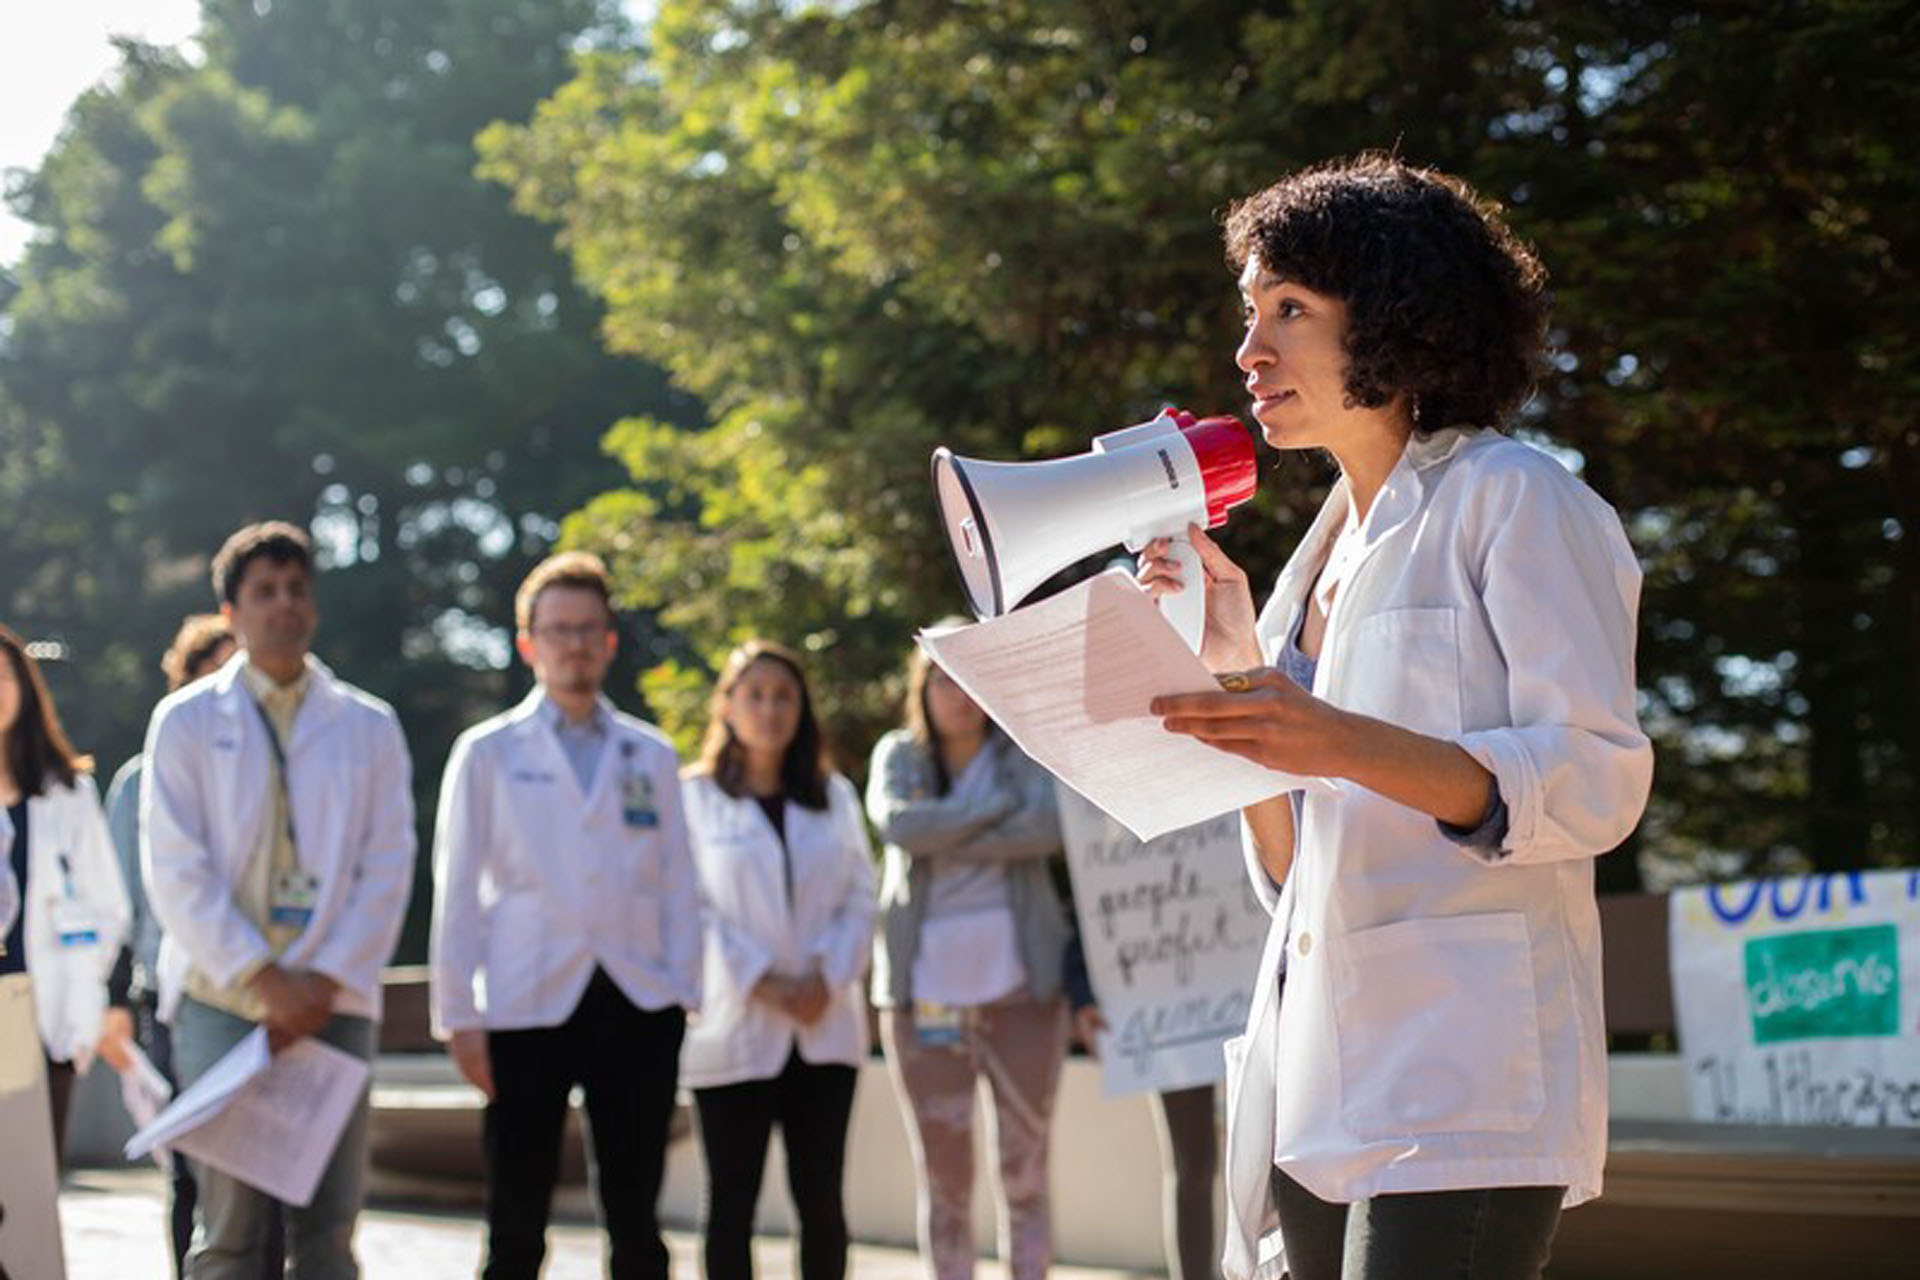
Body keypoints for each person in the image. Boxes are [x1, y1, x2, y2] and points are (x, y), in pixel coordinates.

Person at [1136, 154, 1654, 1280]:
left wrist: (1336, 739)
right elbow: (1289, 862)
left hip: (1465, 1068)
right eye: (1249, 312)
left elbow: (1598, 779)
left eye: (1290, 310)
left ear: (1395, 321)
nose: (1248, 351)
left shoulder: (1518, 498)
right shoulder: (1309, 565)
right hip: (1316, 1068)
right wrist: (1232, 665)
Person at [144, 521, 417, 1279]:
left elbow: (387, 864)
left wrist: (322, 981)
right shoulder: (188, 721)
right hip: (222, 998)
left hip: (334, 1004)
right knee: (229, 1231)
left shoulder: (368, 725)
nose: (284, 605)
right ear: (230, 613)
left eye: (297, 589)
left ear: (315, 606)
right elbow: (175, 869)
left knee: (327, 1235)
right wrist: (263, 979)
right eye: (263, 591)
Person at [430, 550, 701, 1280]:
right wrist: (459, 1015)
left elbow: (680, 882)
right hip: (525, 1002)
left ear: (609, 640)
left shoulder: (649, 752)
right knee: (516, 1223)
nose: (574, 644)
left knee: (637, 1221)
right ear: (528, 644)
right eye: (557, 630)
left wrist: (685, 990)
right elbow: (456, 892)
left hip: (638, 999)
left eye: (588, 629)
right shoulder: (486, 754)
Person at [867, 637, 1071, 1280]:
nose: (959, 696)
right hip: (925, 999)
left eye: (969, 680)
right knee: (944, 1176)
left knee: (1026, 1169)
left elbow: (1048, 829)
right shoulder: (898, 755)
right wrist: (993, 816)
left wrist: (947, 833)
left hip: (1023, 995)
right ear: (921, 690)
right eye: (943, 681)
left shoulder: (1023, 752)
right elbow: (900, 826)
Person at [679, 640, 877, 1280]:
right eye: (755, 694)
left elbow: (861, 893)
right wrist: (758, 978)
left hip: (825, 1026)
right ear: (728, 707)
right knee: (730, 1206)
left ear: (802, 710)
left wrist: (825, 976)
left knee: (821, 1202)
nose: (769, 709)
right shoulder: (695, 798)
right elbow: (688, 904)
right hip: (735, 1022)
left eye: (784, 695)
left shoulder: (834, 797)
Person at [106, 614, 285, 1280]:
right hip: (174, 998)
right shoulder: (140, 778)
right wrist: (118, 997)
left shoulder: (282, 765)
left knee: (265, 1172)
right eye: (214, 673)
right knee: (192, 1172)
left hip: (264, 993)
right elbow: (124, 899)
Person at [0, 622, 133, 1157]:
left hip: (40, 1009)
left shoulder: (68, 792)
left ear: (26, 689)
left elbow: (108, 906)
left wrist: (91, 986)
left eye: (4, 676)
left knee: (28, 1183)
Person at [1061, 929, 1216, 1280]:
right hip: (1164, 1006)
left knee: (1281, 1159)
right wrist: (1083, 989)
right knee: (1193, 1164)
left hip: (1257, 983)